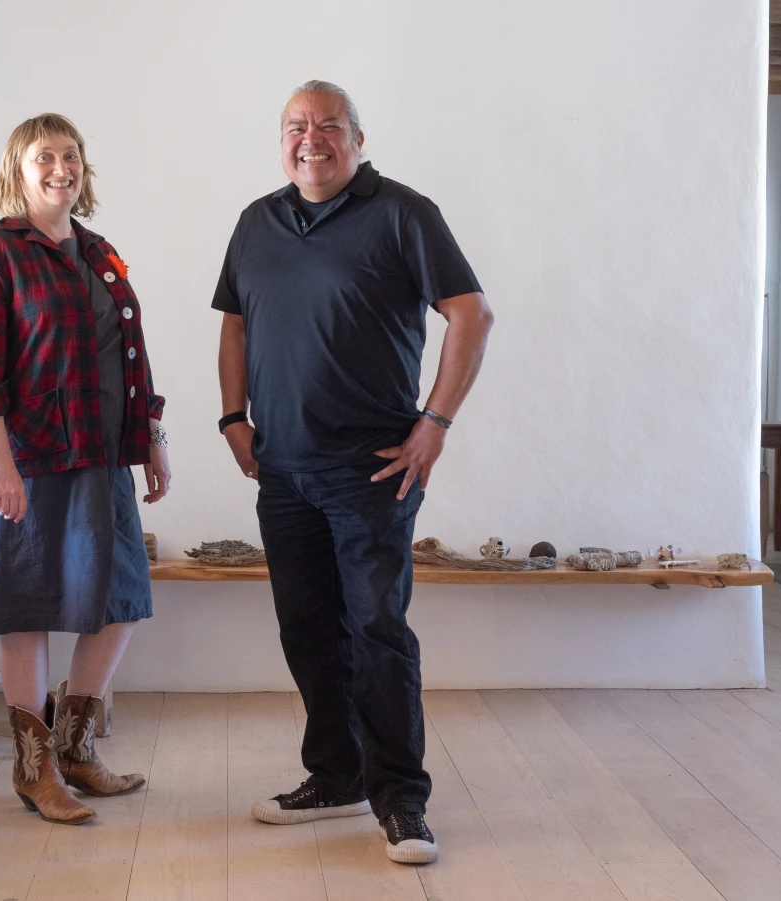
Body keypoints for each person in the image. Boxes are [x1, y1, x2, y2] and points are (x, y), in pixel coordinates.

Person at [212, 81, 493, 863]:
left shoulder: (404, 213)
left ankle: (401, 798)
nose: (313, 139)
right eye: (297, 128)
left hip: (372, 468)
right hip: (283, 469)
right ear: (282, 142)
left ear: (358, 140)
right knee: (307, 628)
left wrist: (433, 423)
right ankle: (335, 775)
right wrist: (234, 418)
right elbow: (236, 324)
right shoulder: (256, 223)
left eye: (329, 126)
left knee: (376, 628)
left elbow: (471, 313)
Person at [0, 113, 170, 825]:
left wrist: (153, 437)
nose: (60, 168)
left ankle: (75, 750)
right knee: (29, 608)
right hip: (32, 462)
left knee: (121, 601)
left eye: (70, 155)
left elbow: (126, 356)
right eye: (44, 156)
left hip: (103, 456)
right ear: (18, 169)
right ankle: (33, 770)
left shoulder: (100, 253)